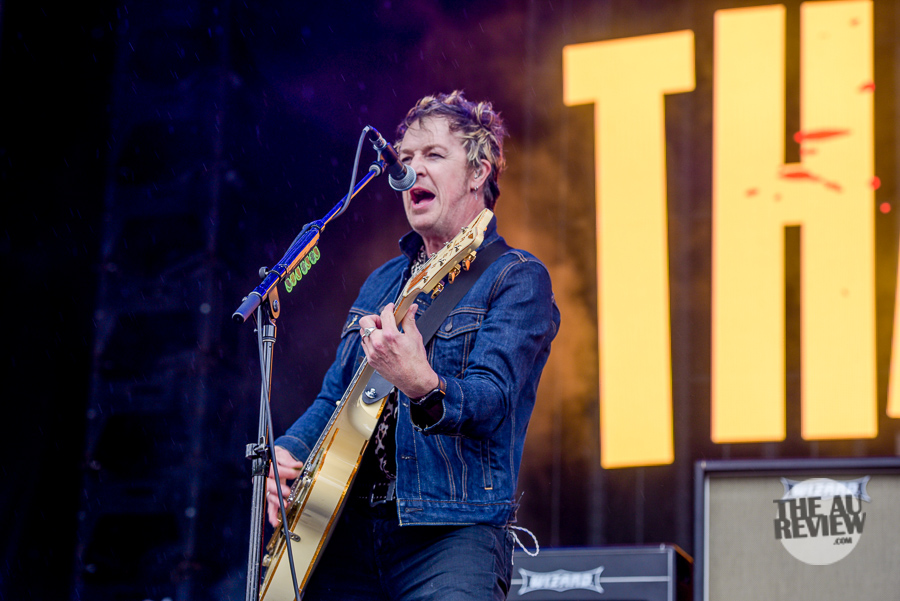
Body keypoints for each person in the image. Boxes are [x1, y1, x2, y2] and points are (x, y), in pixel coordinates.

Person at [265, 90, 560, 600]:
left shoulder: (516, 277)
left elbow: (493, 399)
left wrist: (423, 384)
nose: (411, 169)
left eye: (433, 155)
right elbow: (335, 398)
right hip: (347, 533)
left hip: (449, 535)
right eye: (404, 158)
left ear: (478, 172)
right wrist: (289, 452)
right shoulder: (382, 282)